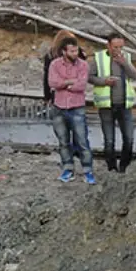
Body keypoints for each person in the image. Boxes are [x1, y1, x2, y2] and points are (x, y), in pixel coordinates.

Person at [48, 37, 96, 184]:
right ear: (64, 51)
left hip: (77, 108)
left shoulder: (83, 65)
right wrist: (69, 82)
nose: (75, 53)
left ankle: (87, 170)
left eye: (76, 50)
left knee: (82, 140)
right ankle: (68, 169)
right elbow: (52, 82)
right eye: (72, 51)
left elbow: (81, 85)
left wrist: (63, 84)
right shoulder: (55, 64)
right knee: (63, 141)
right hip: (59, 107)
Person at [89, 33, 136, 173]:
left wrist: (124, 63)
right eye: (115, 47)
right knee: (109, 141)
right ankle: (112, 168)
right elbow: (89, 77)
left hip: (124, 105)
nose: (118, 50)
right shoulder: (98, 58)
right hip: (107, 106)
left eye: (121, 47)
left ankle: (124, 166)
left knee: (128, 138)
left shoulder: (126, 57)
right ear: (108, 45)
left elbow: (134, 75)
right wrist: (104, 81)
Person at [42, 30, 88, 156]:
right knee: (77, 128)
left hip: (58, 96)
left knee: (63, 130)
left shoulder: (50, 55)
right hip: (75, 96)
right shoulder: (79, 54)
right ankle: (75, 151)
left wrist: (47, 96)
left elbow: (47, 79)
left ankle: (66, 152)